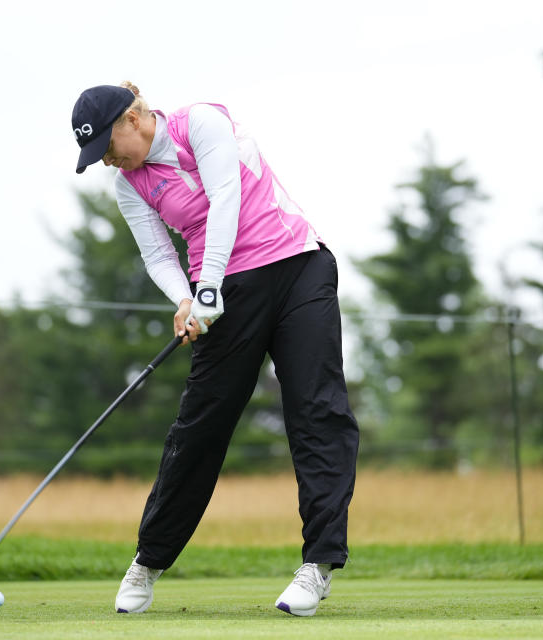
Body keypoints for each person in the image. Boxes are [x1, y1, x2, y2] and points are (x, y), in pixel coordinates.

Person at [70, 82, 359, 617]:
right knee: (201, 424)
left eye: (108, 144)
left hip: (297, 267)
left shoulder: (199, 122)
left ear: (133, 118)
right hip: (225, 292)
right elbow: (158, 254)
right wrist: (184, 298)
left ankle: (317, 564)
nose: (107, 159)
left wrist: (205, 287)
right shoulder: (130, 185)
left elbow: (227, 196)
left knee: (317, 411)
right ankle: (149, 560)